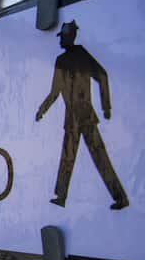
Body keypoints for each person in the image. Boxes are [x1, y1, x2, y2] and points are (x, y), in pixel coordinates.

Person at [35, 20, 128, 210]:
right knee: (69, 157)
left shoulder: (80, 55)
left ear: (70, 37)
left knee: (98, 156)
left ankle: (120, 197)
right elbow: (55, 91)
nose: (60, 41)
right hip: (75, 117)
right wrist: (42, 110)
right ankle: (61, 196)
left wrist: (106, 107)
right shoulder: (61, 60)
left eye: (63, 38)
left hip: (83, 115)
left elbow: (101, 76)